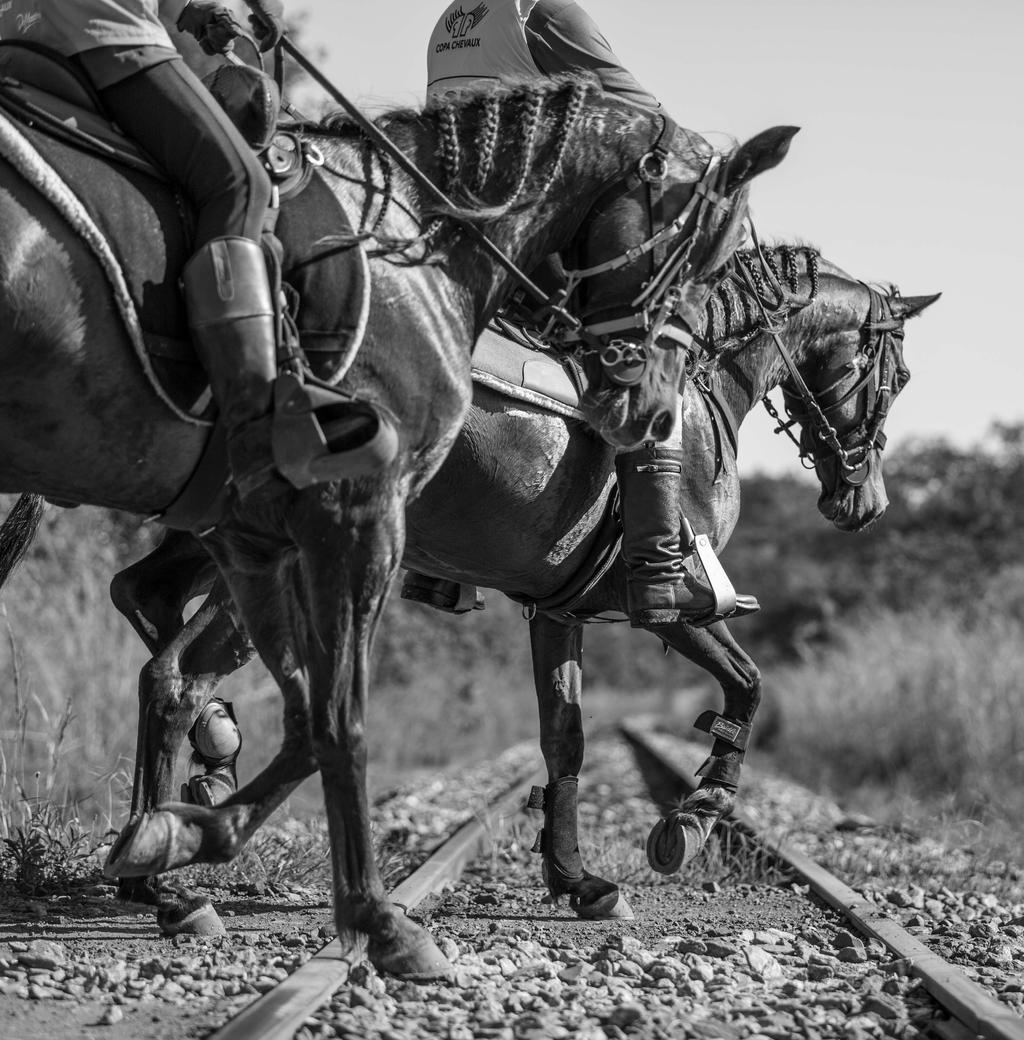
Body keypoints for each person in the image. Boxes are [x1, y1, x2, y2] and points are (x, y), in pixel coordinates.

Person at [423, 0, 747, 626]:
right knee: (646, 365)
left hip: (453, 233)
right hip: (526, 230)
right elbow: (649, 126)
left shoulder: (451, 20)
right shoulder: (543, 12)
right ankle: (658, 570)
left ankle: (438, 573)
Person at [0, 1, 364, 502]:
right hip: (103, 30)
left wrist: (194, 11)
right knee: (240, 184)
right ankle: (256, 426)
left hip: (18, 38)